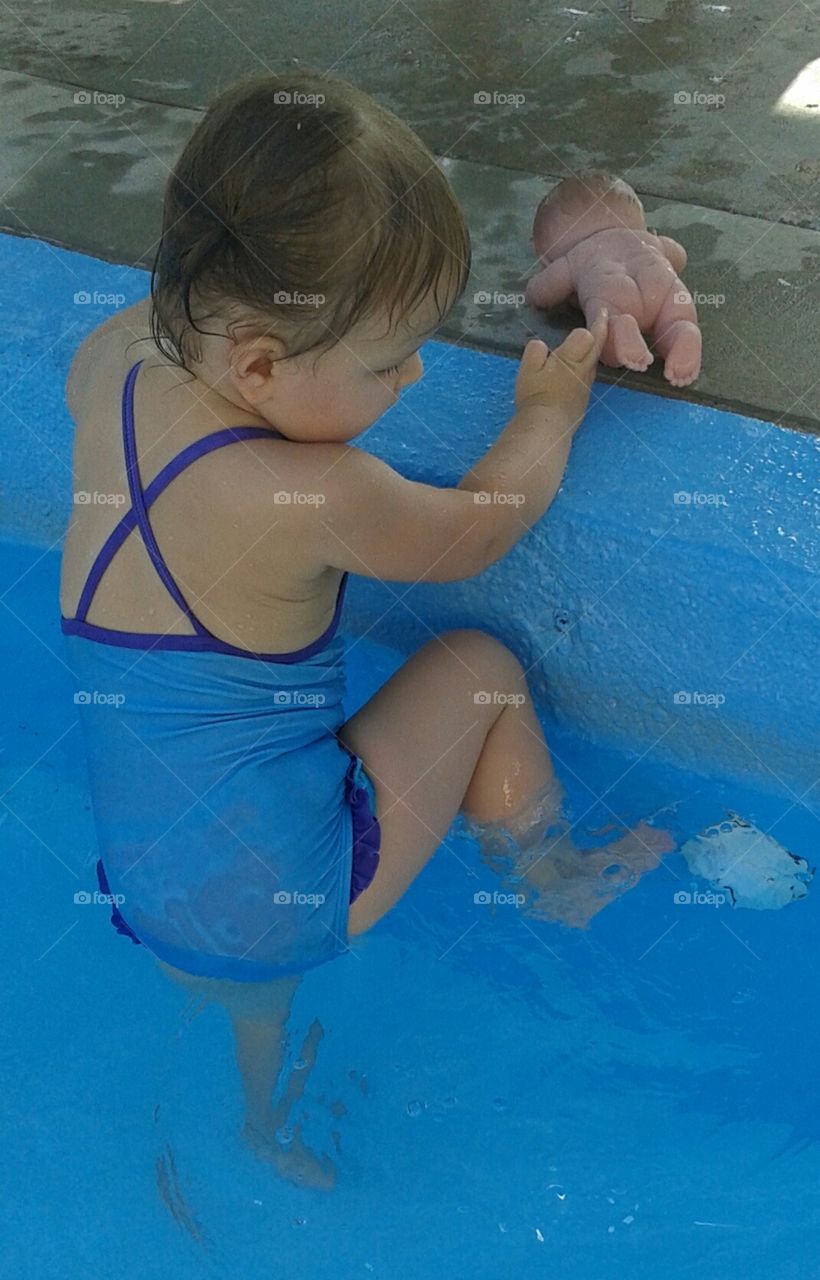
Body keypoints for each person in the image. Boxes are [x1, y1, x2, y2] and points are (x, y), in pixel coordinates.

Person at [60, 69, 671, 1189]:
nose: (416, 374)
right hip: (296, 888)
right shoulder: (319, 492)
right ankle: (551, 875)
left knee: (250, 983)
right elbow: (479, 531)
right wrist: (545, 415)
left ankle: (258, 1121)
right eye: (388, 361)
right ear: (257, 364)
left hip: (152, 885)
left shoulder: (107, 367)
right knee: (479, 670)